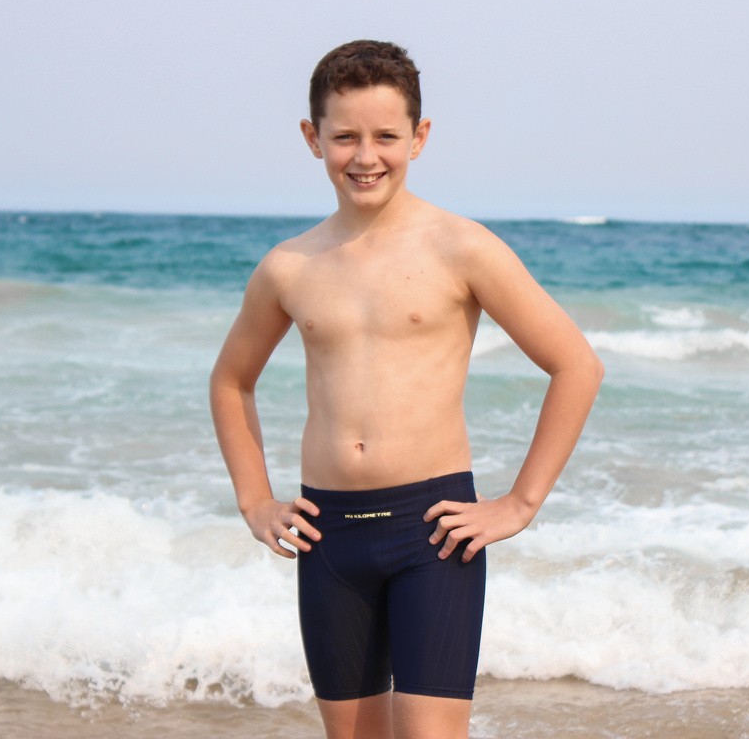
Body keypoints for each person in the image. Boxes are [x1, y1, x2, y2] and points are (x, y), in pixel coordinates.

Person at [209, 39, 603, 739]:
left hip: (433, 532)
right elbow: (232, 381)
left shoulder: (462, 247)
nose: (366, 156)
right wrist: (254, 500)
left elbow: (576, 364)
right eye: (345, 137)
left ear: (418, 138)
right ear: (312, 138)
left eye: (386, 136)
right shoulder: (289, 267)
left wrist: (519, 503)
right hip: (328, 535)